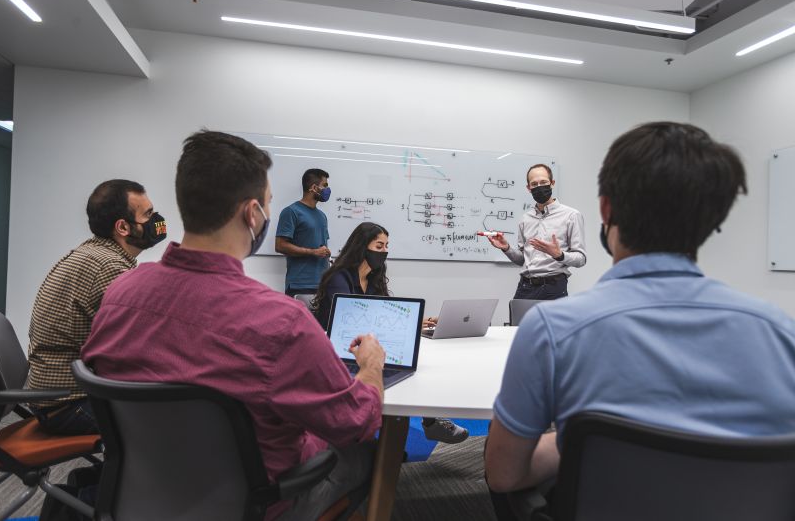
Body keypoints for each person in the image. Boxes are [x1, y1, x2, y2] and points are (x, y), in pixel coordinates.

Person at [484, 122, 795, 509]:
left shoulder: (551, 329)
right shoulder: (782, 332)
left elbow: (503, 473)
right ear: (715, 218)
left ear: (606, 209)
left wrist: (570, 440)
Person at [82, 131, 384, 521]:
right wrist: (370, 367)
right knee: (365, 453)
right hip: (255, 505)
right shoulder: (282, 323)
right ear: (252, 213)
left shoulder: (121, 292)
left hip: (141, 496)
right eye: (269, 205)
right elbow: (356, 421)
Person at [26, 179, 166, 435]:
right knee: (176, 417)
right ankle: (119, 474)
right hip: (69, 405)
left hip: (54, 397)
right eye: (147, 214)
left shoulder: (95, 253)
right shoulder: (109, 267)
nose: (156, 220)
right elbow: (142, 343)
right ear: (123, 227)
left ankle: (115, 472)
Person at [313, 221, 470, 445]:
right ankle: (410, 433)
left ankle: (431, 422)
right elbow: (349, 322)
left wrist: (417, 322)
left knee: (413, 365)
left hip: (367, 348)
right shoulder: (339, 277)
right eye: (379, 246)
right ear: (361, 246)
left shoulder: (374, 278)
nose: (384, 251)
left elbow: (383, 315)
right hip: (339, 352)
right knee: (401, 366)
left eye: (387, 246)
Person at [487, 164, 586, 300]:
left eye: (544, 182)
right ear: (528, 188)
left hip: (554, 288)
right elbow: (522, 259)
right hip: (525, 288)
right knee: (517, 322)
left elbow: (581, 259)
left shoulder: (571, 215)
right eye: (534, 184)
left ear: (552, 183)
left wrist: (560, 255)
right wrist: (506, 248)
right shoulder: (525, 219)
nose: (539, 187)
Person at [275, 168, 332, 296]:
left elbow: (320, 245)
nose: (327, 190)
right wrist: (312, 252)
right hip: (300, 285)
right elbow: (280, 245)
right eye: (325, 185)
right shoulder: (291, 212)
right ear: (313, 187)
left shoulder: (322, 216)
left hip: (322, 285)